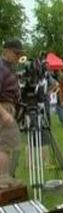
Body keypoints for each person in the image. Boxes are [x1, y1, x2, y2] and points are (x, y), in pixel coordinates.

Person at [0, 39, 23, 181]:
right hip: (4, 108)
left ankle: (5, 177)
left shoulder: (8, 67)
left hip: (8, 108)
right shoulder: (1, 68)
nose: (18, 57)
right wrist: (4, 114)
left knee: (10, 145)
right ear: (7, 51)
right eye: (16, 53)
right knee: (5, 146)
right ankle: (3, 180)